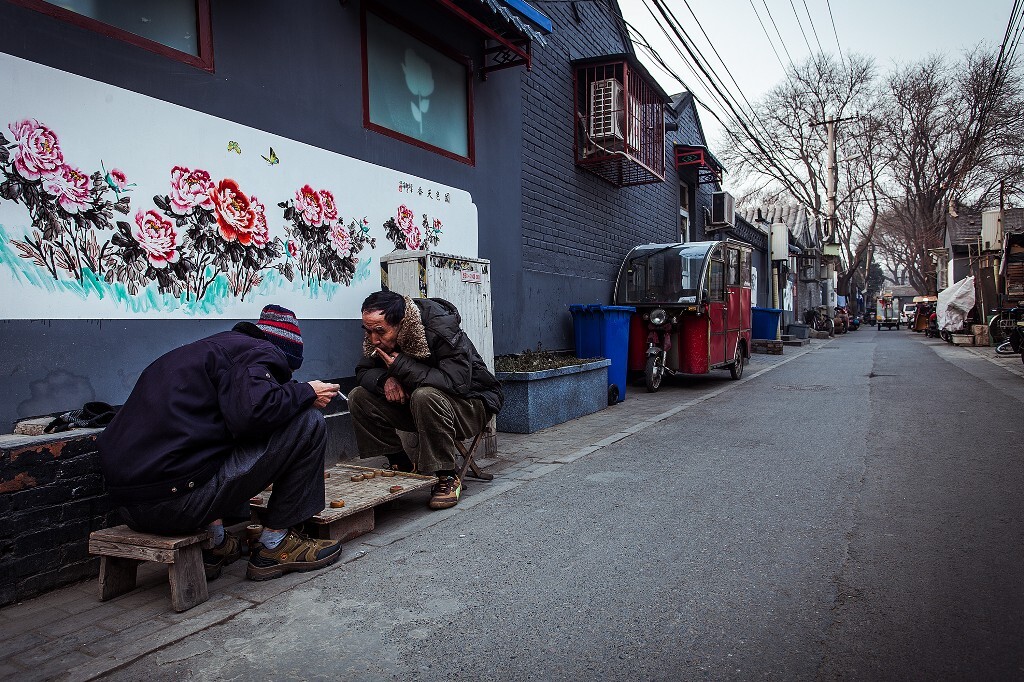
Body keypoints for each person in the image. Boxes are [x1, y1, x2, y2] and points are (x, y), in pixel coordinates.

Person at [97, 304, 344, 582]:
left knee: (209, 444)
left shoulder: (206, 352)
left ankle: (214, 544)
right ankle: (276, 543)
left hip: (129, 507)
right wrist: (305, 392)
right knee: (308, 422)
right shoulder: (261, 353)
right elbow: (253, 414)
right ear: (282, 355)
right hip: (176, 504)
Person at [348, 291, 503, 510]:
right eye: (368, 331)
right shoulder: (378, 338)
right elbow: (363, 370)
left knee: (424, 395)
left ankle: (447, 476)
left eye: (379, 331)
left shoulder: (439, 329)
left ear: (401, 323)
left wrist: (400, 367)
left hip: (472, 403)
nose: (373, 339)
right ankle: (400, 464)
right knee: (358, 397)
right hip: (421, 406)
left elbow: (457, 382)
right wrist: (385, 380)